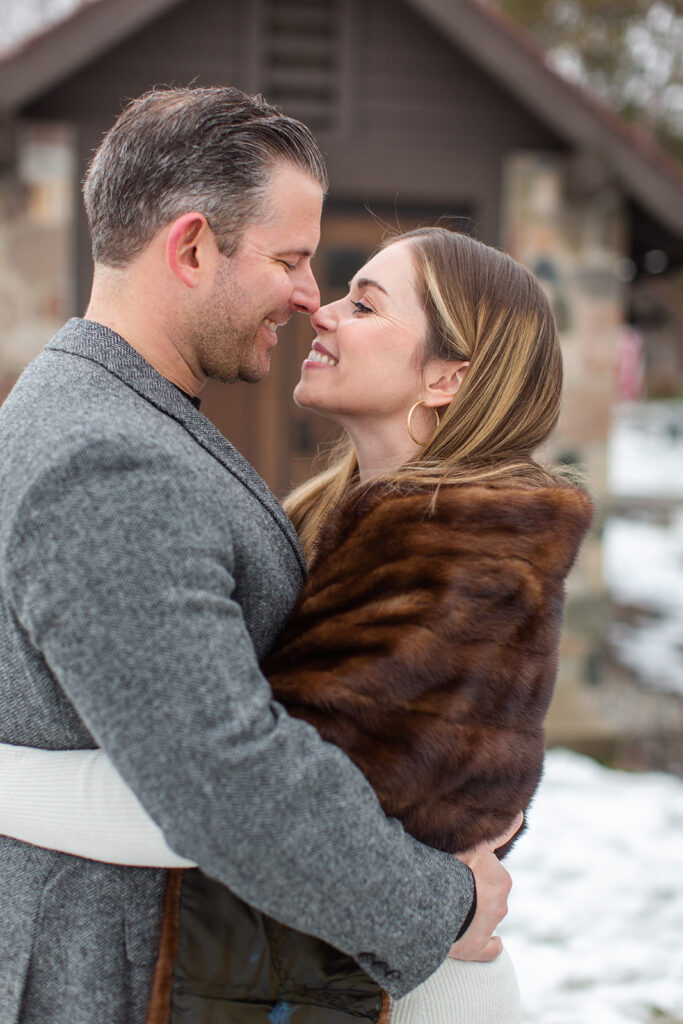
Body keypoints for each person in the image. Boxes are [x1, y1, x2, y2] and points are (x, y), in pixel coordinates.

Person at [0, 87, 515, 1024]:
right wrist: (439, 907)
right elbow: (222, 775)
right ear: (192, 247)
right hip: (100, 979)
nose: (309, 298)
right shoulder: (109, 460)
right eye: (290, 260)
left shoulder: (125, 422)